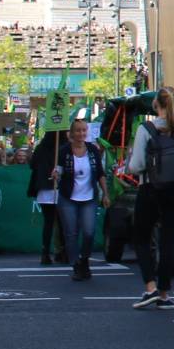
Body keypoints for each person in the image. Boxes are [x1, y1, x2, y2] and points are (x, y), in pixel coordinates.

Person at [127, 88, 174, 311]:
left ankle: (150, 287)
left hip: (150, 188)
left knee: (141, 237)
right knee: (169, 240)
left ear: (156, 105)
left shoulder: (146, 129)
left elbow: (137, 165)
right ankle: (165, 293)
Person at [50, 118, 110, 281]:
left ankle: (84, 259)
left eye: (84, 130)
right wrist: (56, 173)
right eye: (78, 130)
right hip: (68, 197)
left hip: (89, 196)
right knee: (71, 233)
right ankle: (76, 264)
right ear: (72, 133)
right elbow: (59, 169)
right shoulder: (64, 151)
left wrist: (105, 193)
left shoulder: (93, 150)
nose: (81, 133)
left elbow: (100, 173)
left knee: (89, 232)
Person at [27, 128, 63, 265]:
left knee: (48, 222)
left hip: (44, 189)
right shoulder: (64, 147)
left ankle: (46, 252)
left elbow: (32, 165)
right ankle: (61, 251)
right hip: (58, 188)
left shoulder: (40, 148)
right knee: (62, 222)